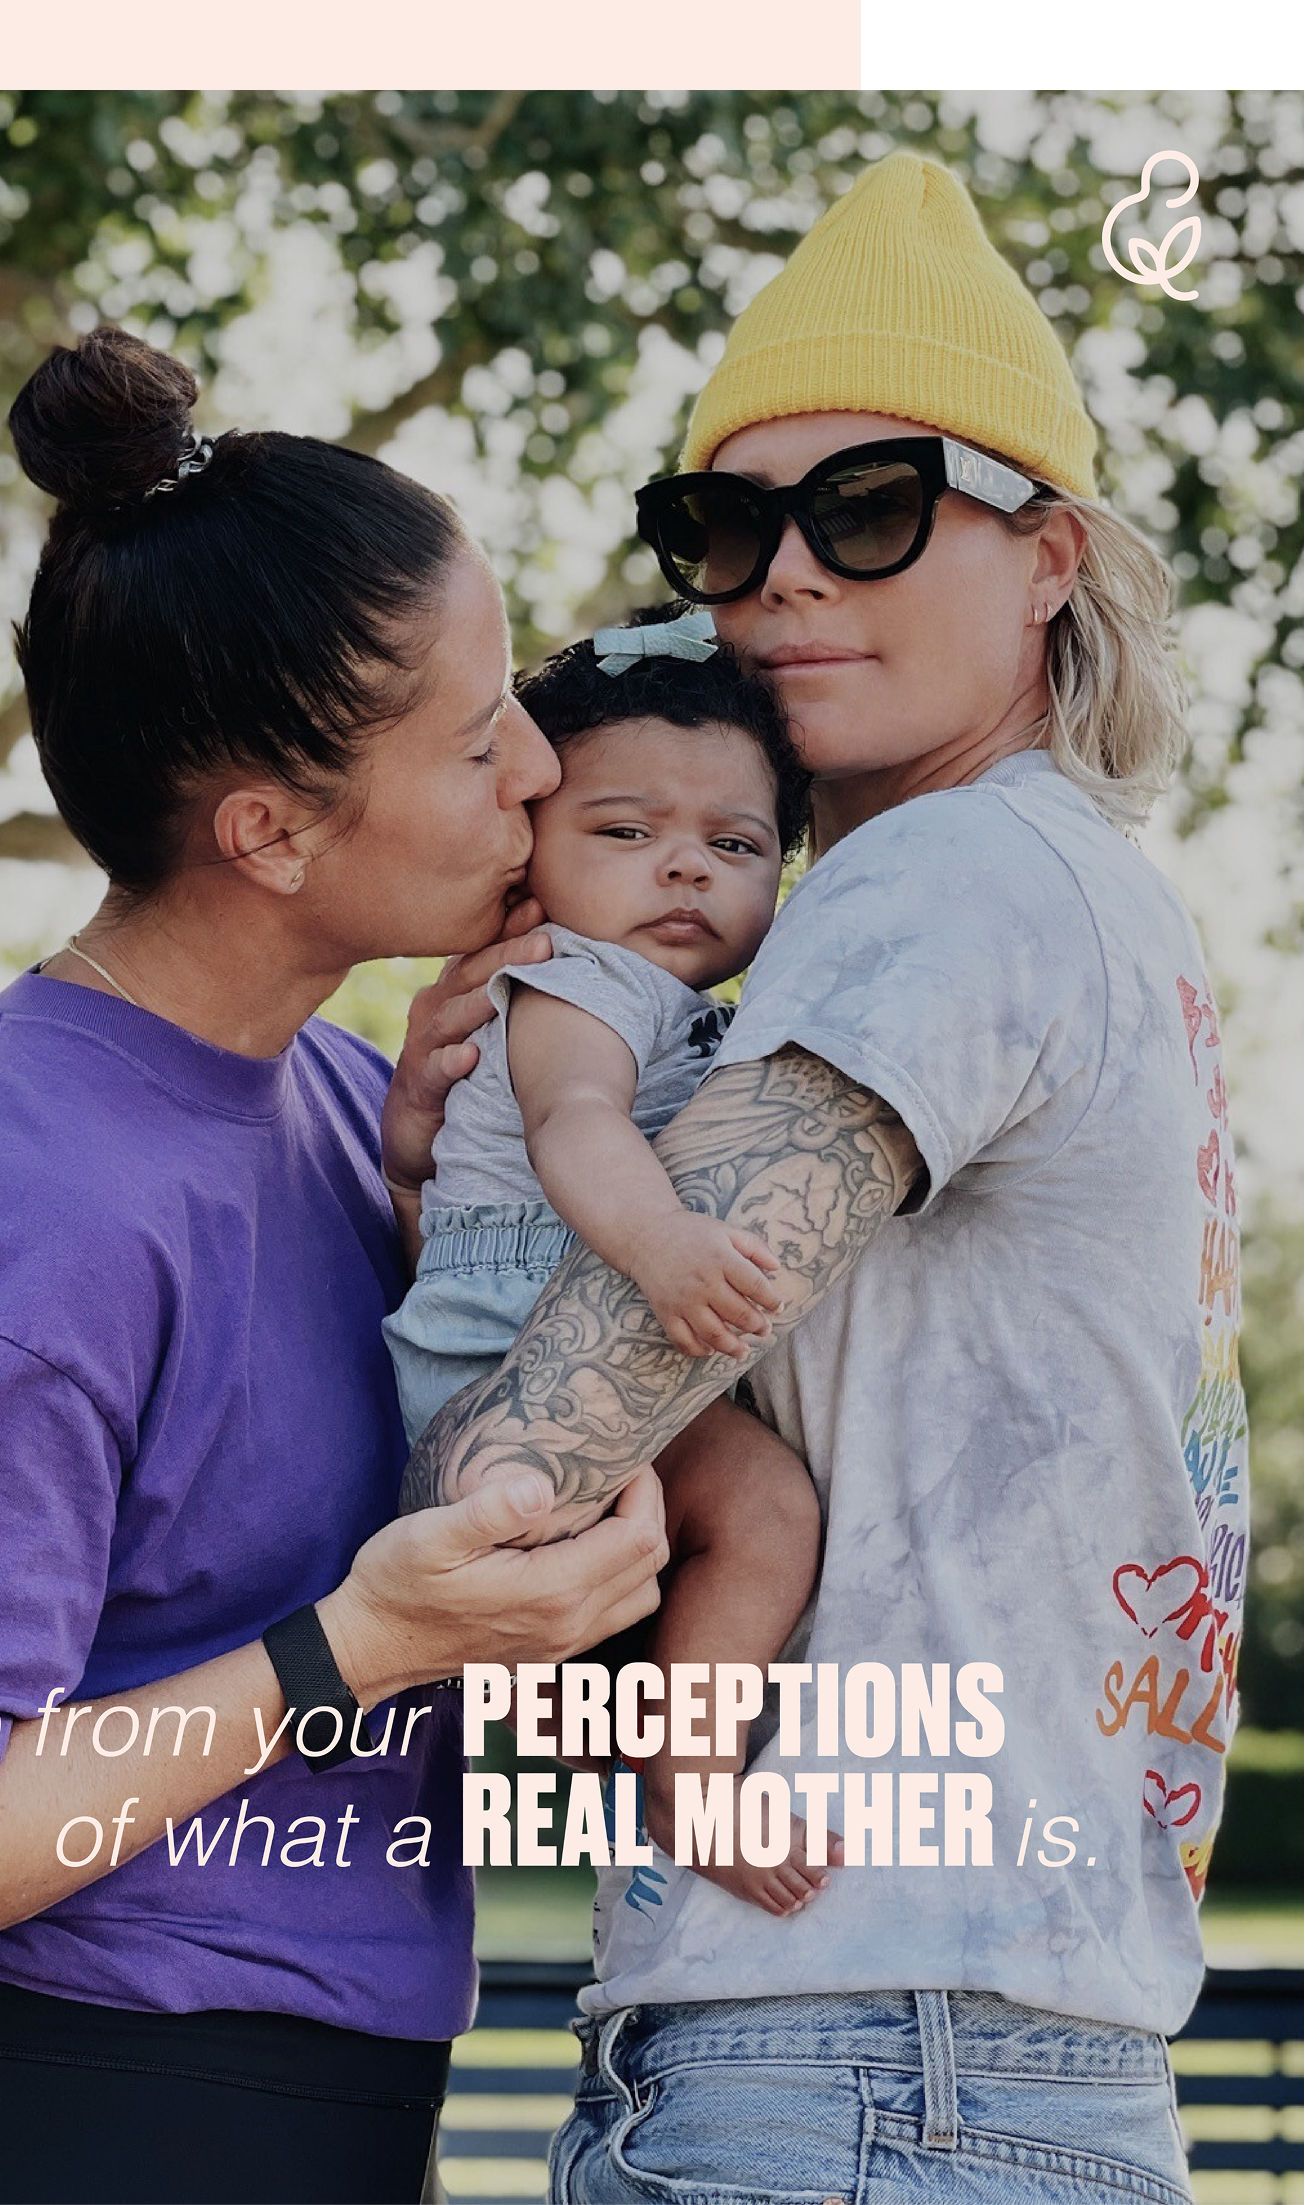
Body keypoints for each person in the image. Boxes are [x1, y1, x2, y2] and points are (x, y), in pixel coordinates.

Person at [0, 324, 670, 2205]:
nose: (542, 772)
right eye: (477, 740)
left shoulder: (346, 1103)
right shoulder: (19, 1217)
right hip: (70, 2129)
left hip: (316, 2119)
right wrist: (355, 1649)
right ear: (268, 832)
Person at [400, 153, 1245, 2205]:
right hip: (953, 2048)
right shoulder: (1073, 890)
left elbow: (520, 1472)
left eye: (867, 509)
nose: (776, 576)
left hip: (862, 2056)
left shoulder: (941, 878)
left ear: (1045, 558)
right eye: (723, 523)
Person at [384, 608, 831, 1915]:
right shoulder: (579, 982)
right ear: (530, 854)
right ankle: (694, 1781)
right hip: (512, 1361)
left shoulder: (685, 1008)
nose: (684, 868)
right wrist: (664, 1246)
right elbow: (574, 1121)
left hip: (535, 1365)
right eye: (625, 833)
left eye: (734, 845)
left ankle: (622, 1753)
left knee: (600, 1642)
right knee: (765, 1514)